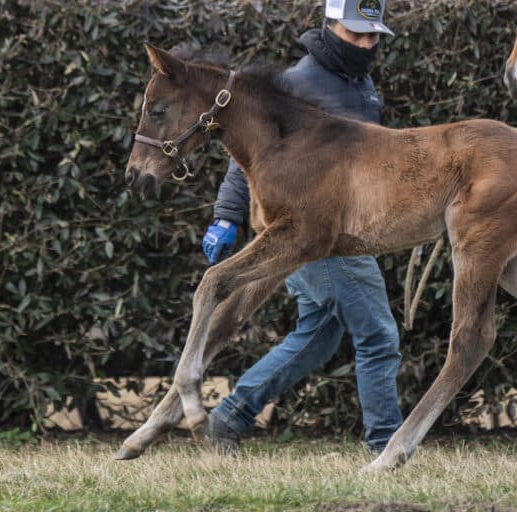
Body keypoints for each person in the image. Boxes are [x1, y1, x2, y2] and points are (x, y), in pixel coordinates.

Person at [200, 0, 402, 455]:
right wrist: (226, 217)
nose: (367, 44)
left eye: (374, 36)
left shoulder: (364, 86)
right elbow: (246, 160)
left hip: (350, 229)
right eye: (357, 34)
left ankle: (229, 417)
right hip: (310, 235)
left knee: (318, 337)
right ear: (329, 26)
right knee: (379, 335)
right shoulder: (295, 83)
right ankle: (388, 447)